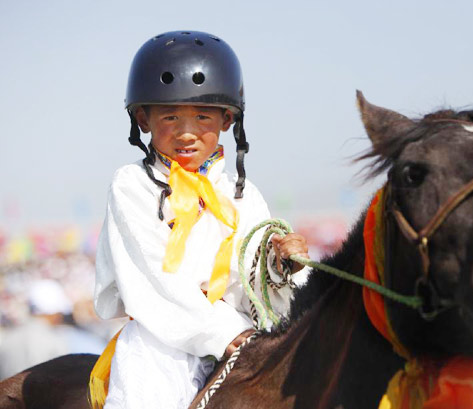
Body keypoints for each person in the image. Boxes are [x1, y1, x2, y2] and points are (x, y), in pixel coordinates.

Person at [91, 31, 310, 409]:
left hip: (241, 335)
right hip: (162, 346)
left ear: (227, 120)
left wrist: (279, 267)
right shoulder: (132, 185)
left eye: (203, 116)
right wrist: (224, 333)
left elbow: (250, 284)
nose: (187, 132)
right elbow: (155, 283)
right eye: (170, 116)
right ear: (143, 119)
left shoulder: (244, 195)